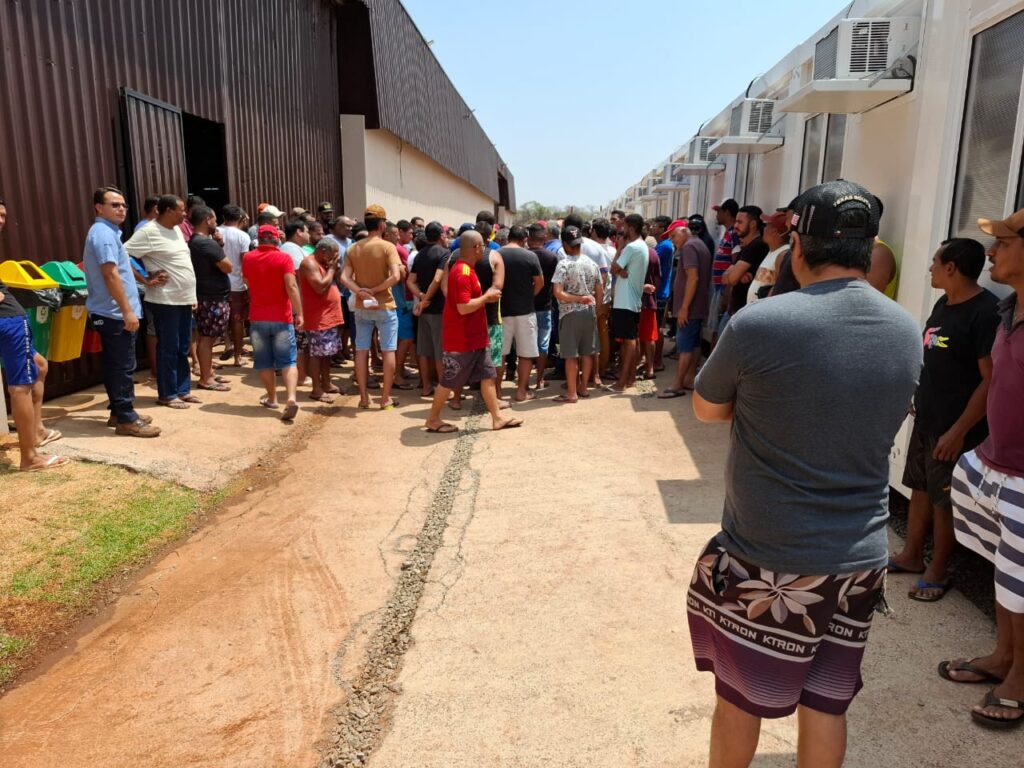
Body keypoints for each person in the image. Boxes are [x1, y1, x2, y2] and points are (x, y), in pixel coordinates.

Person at [687, 181, 920, 767]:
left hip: (771, 555)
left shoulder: (761, 323)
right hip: (860, 557)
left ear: (796, 246)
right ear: (870, 251)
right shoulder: (904, 328)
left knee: (740, 702)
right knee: (828, 707)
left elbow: (707, 410)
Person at [941, 208, 1024, 730]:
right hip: (997, 464)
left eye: (1004, 242)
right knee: (1007, 573)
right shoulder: (1008, 309)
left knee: (1023, 580)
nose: (990, 252)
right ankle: (1002, 657)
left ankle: (1020, 678)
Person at [887, 238, 999, 602]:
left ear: (951, 267)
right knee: (920, 487)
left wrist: (958, 431)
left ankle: (938, 570)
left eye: (935, 261)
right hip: (927, 419)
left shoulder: (985, 313)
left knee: (944, 500)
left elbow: (990, 379)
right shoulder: (943, 303)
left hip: (955, 428)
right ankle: (912, 556)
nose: (930, 268)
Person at [423, 230, 522, 434]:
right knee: (448, 381)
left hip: (475, 338)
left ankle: (497, 418)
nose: (484, 249)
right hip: (462, 340)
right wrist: (487, 298)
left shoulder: (467, 269)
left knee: (488, 375)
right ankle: (433, 419)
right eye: (482, 246)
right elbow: (463, 307)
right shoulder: (463, 273)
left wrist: (486, 298)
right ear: (476, 248)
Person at [0, 197, 69, 467]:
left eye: (4, 215)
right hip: (8, 322)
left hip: (10, 321)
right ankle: (29, 457)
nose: (2, 221)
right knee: (21, 385)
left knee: (39, 366)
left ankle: (36, 432)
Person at [124, 195, 200, 410]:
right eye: (181, 210)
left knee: (182, 346)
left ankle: (183, 390)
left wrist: (191, 296)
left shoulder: (176, 229)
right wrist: (145, 279)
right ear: (166, 211)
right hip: (165, 300)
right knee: (169, 346)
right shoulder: (148, 232)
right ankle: (167, 394)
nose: (185, 214)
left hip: (183, 299)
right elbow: (123, 254)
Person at [340, 204, 402, 410]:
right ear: (383, 224)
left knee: (361, 350)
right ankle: (385, 399)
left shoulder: (353, 248)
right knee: (388, 350)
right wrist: (375, 290)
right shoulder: (387, 247)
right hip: (384, 305)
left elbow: (344, 277)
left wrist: (360, 291)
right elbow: (395, 276)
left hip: (362, 306)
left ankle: (364, 398)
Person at [243, 224, 302, 421]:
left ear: (258, 239)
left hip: (258, 318)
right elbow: (292, 286)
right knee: (288, 361)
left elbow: (247, 283)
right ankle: (291, 398)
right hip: (282, 318)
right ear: (277, 239)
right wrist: (299, 313)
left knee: (264, 362)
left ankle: (272, 398)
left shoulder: (248, 258)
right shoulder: (284, 258)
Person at [659, 221, 711, 399]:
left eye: (674, 236)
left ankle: (678, 384)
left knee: (685, 346)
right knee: (694, 344)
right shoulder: (698, 244)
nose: (672, 241)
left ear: (684, 231)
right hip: (697, 307)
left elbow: (693, 278)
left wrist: (684, 308)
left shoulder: (689, 247)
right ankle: (689, 379)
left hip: (690, 308)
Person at [551, 225, 602, 403]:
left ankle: (572, 393)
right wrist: (595, 307)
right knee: (587, 352)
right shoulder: (592, 264)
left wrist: (578, 299)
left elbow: (558, 292)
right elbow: (599, 291)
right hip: (589, 313)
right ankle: (584, 388)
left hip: (569, 313)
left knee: (571, 355)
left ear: (565, 243)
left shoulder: (563, 264)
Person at [188, 205, 232, 393]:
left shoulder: (199, 241)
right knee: (208, 339)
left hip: (208, 295)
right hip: (211, 298)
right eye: (214, 219)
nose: (216, 223)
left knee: (207, 337)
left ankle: (208, 372)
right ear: (207, 220)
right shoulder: (205, 243)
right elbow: (227, 266)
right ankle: (206, 378)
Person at [499, 226, 544, 401]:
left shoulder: (497, 254)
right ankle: (521, 391)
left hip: (502, 310)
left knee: (500, 354)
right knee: (526, 353)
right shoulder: (530, 256)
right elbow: (539, 283)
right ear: (524, 239)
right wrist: (528, 296)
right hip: (525, 311)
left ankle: (497, 391)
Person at [299, 238, 343, 403]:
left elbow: (333, 281)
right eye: (333, 254)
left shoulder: (325, 264)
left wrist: (333, 269)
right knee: (317, 354)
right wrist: (331, 269)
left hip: (329, 316)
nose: (334, 257)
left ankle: (326, 382)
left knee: (327, 353)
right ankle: (316, 389)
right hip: (318, 317)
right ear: (323, 251)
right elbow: (319, 286)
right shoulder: (309, 264)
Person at [409, 221, 450, 397]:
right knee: (440, 351)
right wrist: (425, 299)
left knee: (424, 351)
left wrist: (420, 298)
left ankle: (426, 386)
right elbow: (438, 279)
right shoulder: (444, 254)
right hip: (438, 309)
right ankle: (443, 390)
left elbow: (409, 281)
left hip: (423, 311)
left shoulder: (419, 254)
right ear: (441, 235)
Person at [610, 213, 648, 392]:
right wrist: (620, 270)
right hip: (631, 301)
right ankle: (630, 379)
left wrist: (620, 248)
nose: (622, 230)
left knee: (629, 341)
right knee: (631, 340)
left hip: (625, 302)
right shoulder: (642, 246)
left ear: (631, 228)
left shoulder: (631, 247)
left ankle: (622, 382)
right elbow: (619, 269)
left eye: (624, 227)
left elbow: (613, 267)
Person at [217, 205, 250, 367]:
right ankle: (238, 357)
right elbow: (245, 262)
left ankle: (227, 344)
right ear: (241, 218)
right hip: (237, 284)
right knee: (237, 321)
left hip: (218, 283)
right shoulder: (243, 236)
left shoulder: (214, 232)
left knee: (219, 319)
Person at [722, 205, 768, 319]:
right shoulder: (747, 247)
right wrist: (738, 274)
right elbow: (724, 278)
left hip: (745, 313)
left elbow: (732, 279)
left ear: (752, 224)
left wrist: (735, 275)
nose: (735, 225)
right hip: (736, 311)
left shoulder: (757, 246)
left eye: (740, 222)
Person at [476, 222, 507, 388]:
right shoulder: (494, 256)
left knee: (463, 358)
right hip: (491, 316)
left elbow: (445, 286)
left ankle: (456, 399)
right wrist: (483, 299)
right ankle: (496, 394)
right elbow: (497, 289)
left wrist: (467, 302)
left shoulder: (456, 255)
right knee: (495, 357)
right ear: (490, 236)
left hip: (464, 314)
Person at [529, 223, 559, 390]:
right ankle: (539, 379)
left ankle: (523, 381)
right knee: (542, 344)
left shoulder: (524, 255)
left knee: (526, 344)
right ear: (544, 238)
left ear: (528, 238)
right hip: (545, 306)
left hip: (525, 307)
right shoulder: (552, 257)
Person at [747, 210, 790, 304]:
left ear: (775, 231)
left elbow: (779, 290)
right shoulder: (772, 251)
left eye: (767, 226)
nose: (764, 228)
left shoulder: (783, 254)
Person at [711, 199, 740, 337]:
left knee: (719, 329)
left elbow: (735, 262)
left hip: (725, 288)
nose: (716, 215)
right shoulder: (728, 232)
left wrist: (728, 290)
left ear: (727, 212)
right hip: (720, 287)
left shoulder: (734, 233)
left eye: (719, 212)